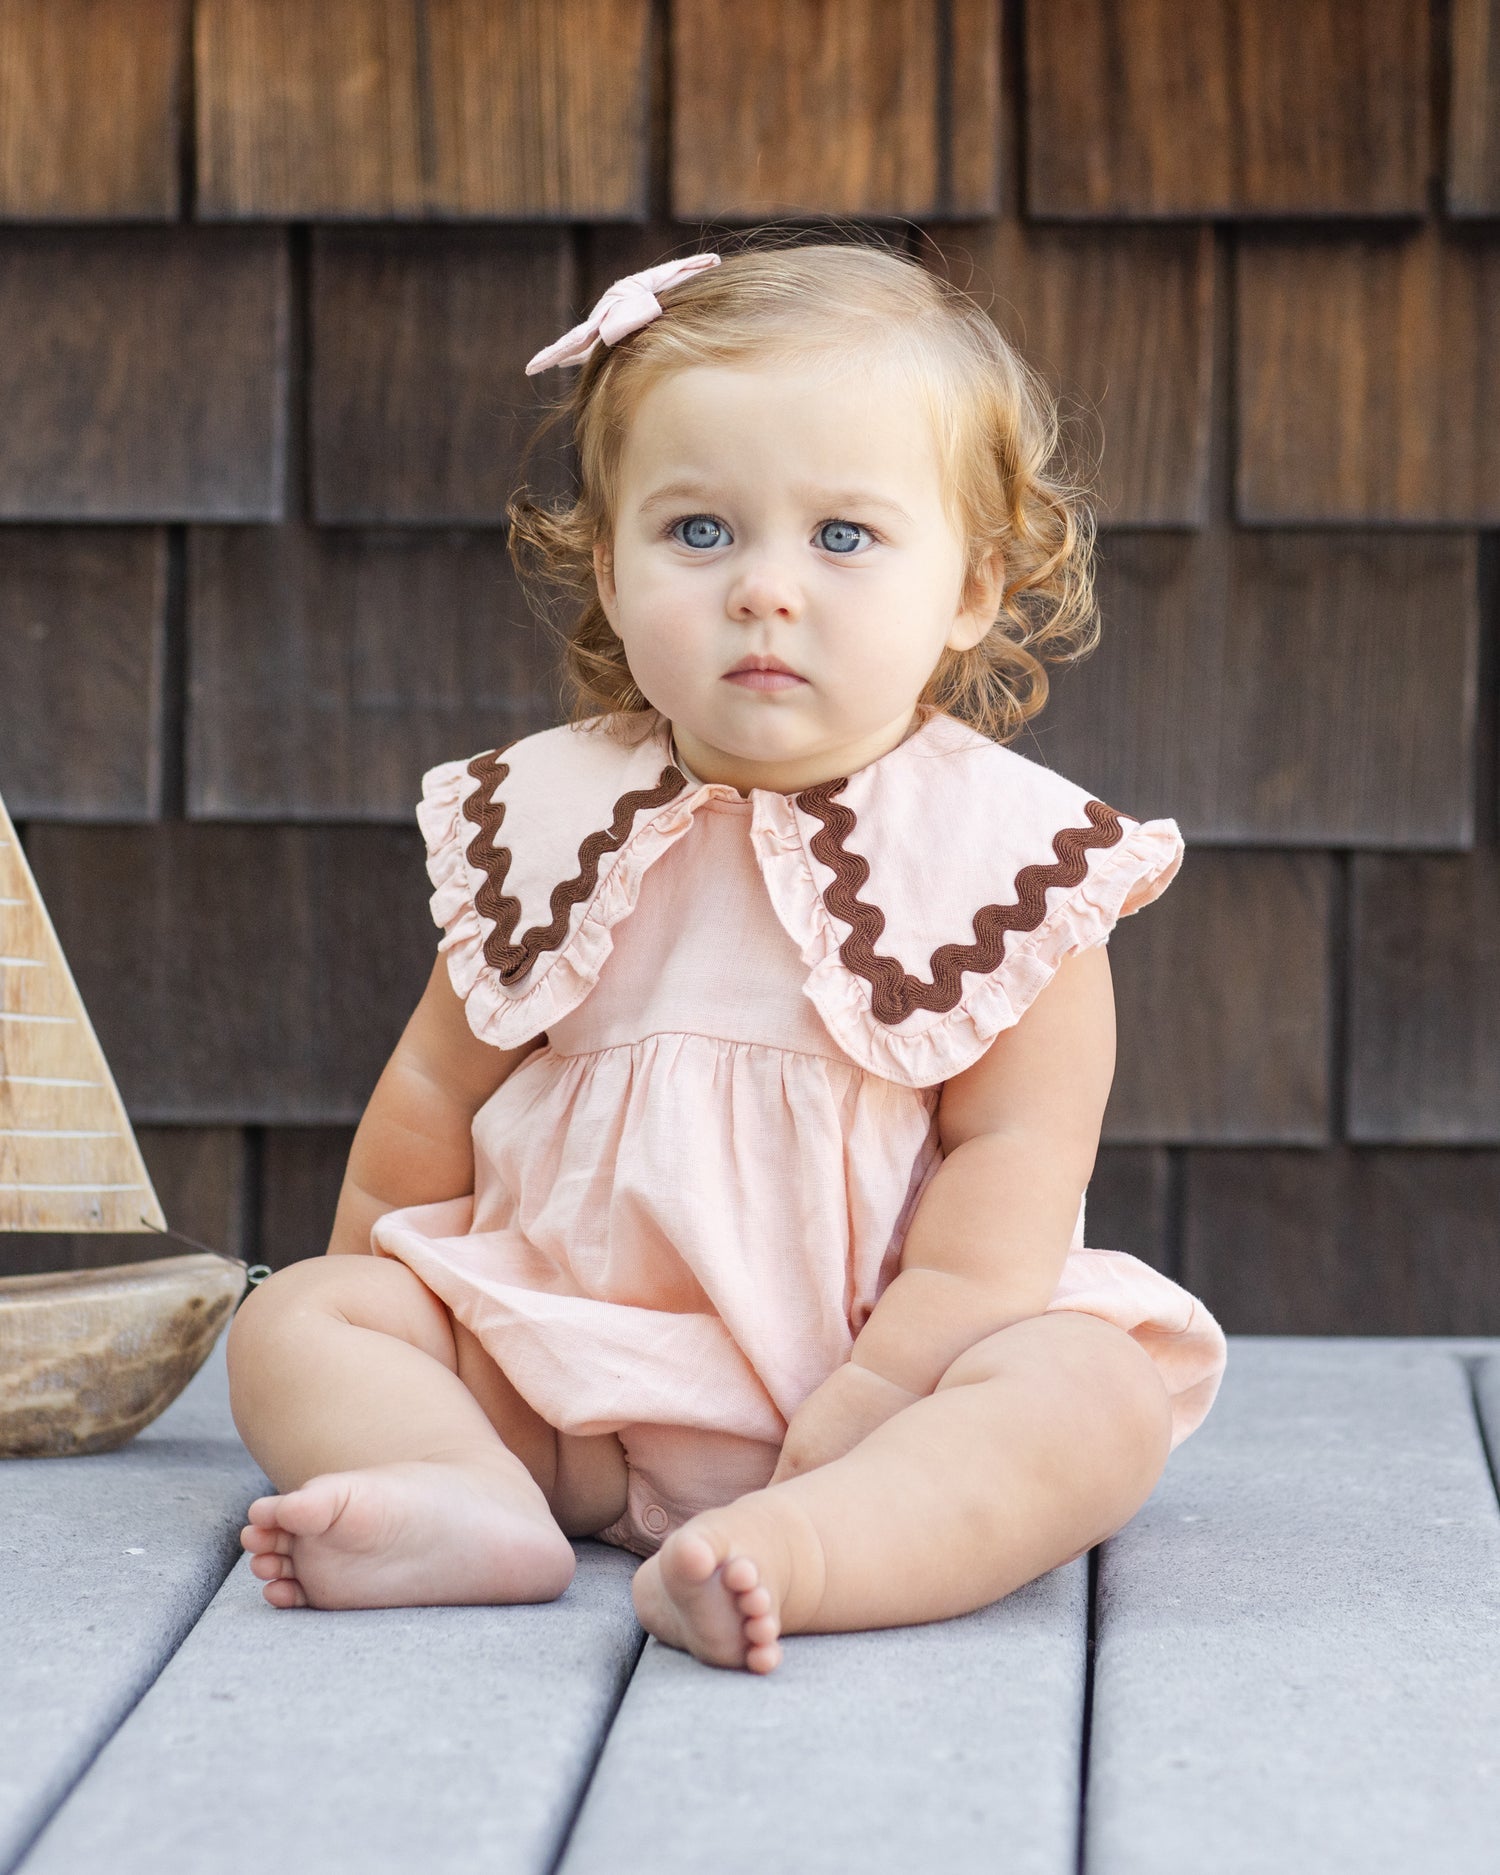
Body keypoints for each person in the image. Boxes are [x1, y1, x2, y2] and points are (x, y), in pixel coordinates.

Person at [229, 240, 1226, 1675]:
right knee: (300, 1317)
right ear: (609, 569)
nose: (764, 589)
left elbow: (1018, 1165)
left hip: (885, 1380)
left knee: (1091, 1393)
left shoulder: (1007, 865)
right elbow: (430, 1097)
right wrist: (389, 1325)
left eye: (843, 537)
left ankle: (809, 1548)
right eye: (699, 531)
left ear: (970, 585)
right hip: (565, 1378)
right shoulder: (554, 822)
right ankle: (460, 1487)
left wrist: (879, 1391)